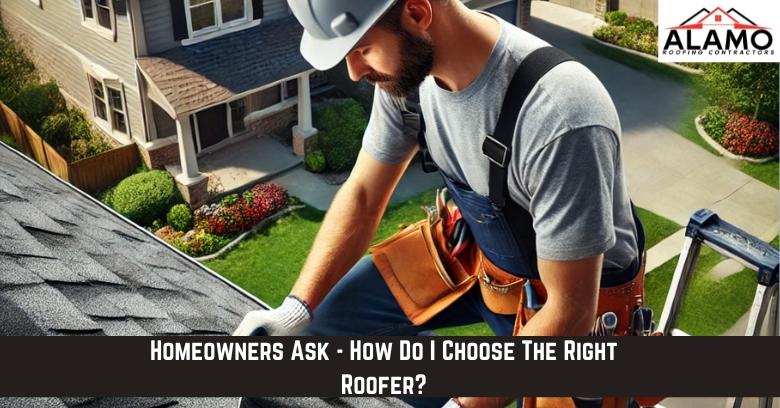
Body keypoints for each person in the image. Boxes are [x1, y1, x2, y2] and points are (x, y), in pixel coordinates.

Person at [235, 0, 643, 406]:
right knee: (328, 327)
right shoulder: (409, 78)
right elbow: (362, 197)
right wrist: (294, 309)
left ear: (417, 13)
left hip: (573, 312)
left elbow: (570, 313)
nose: (354, 72)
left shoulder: (560, 113)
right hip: (484, 263)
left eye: (361, 49)